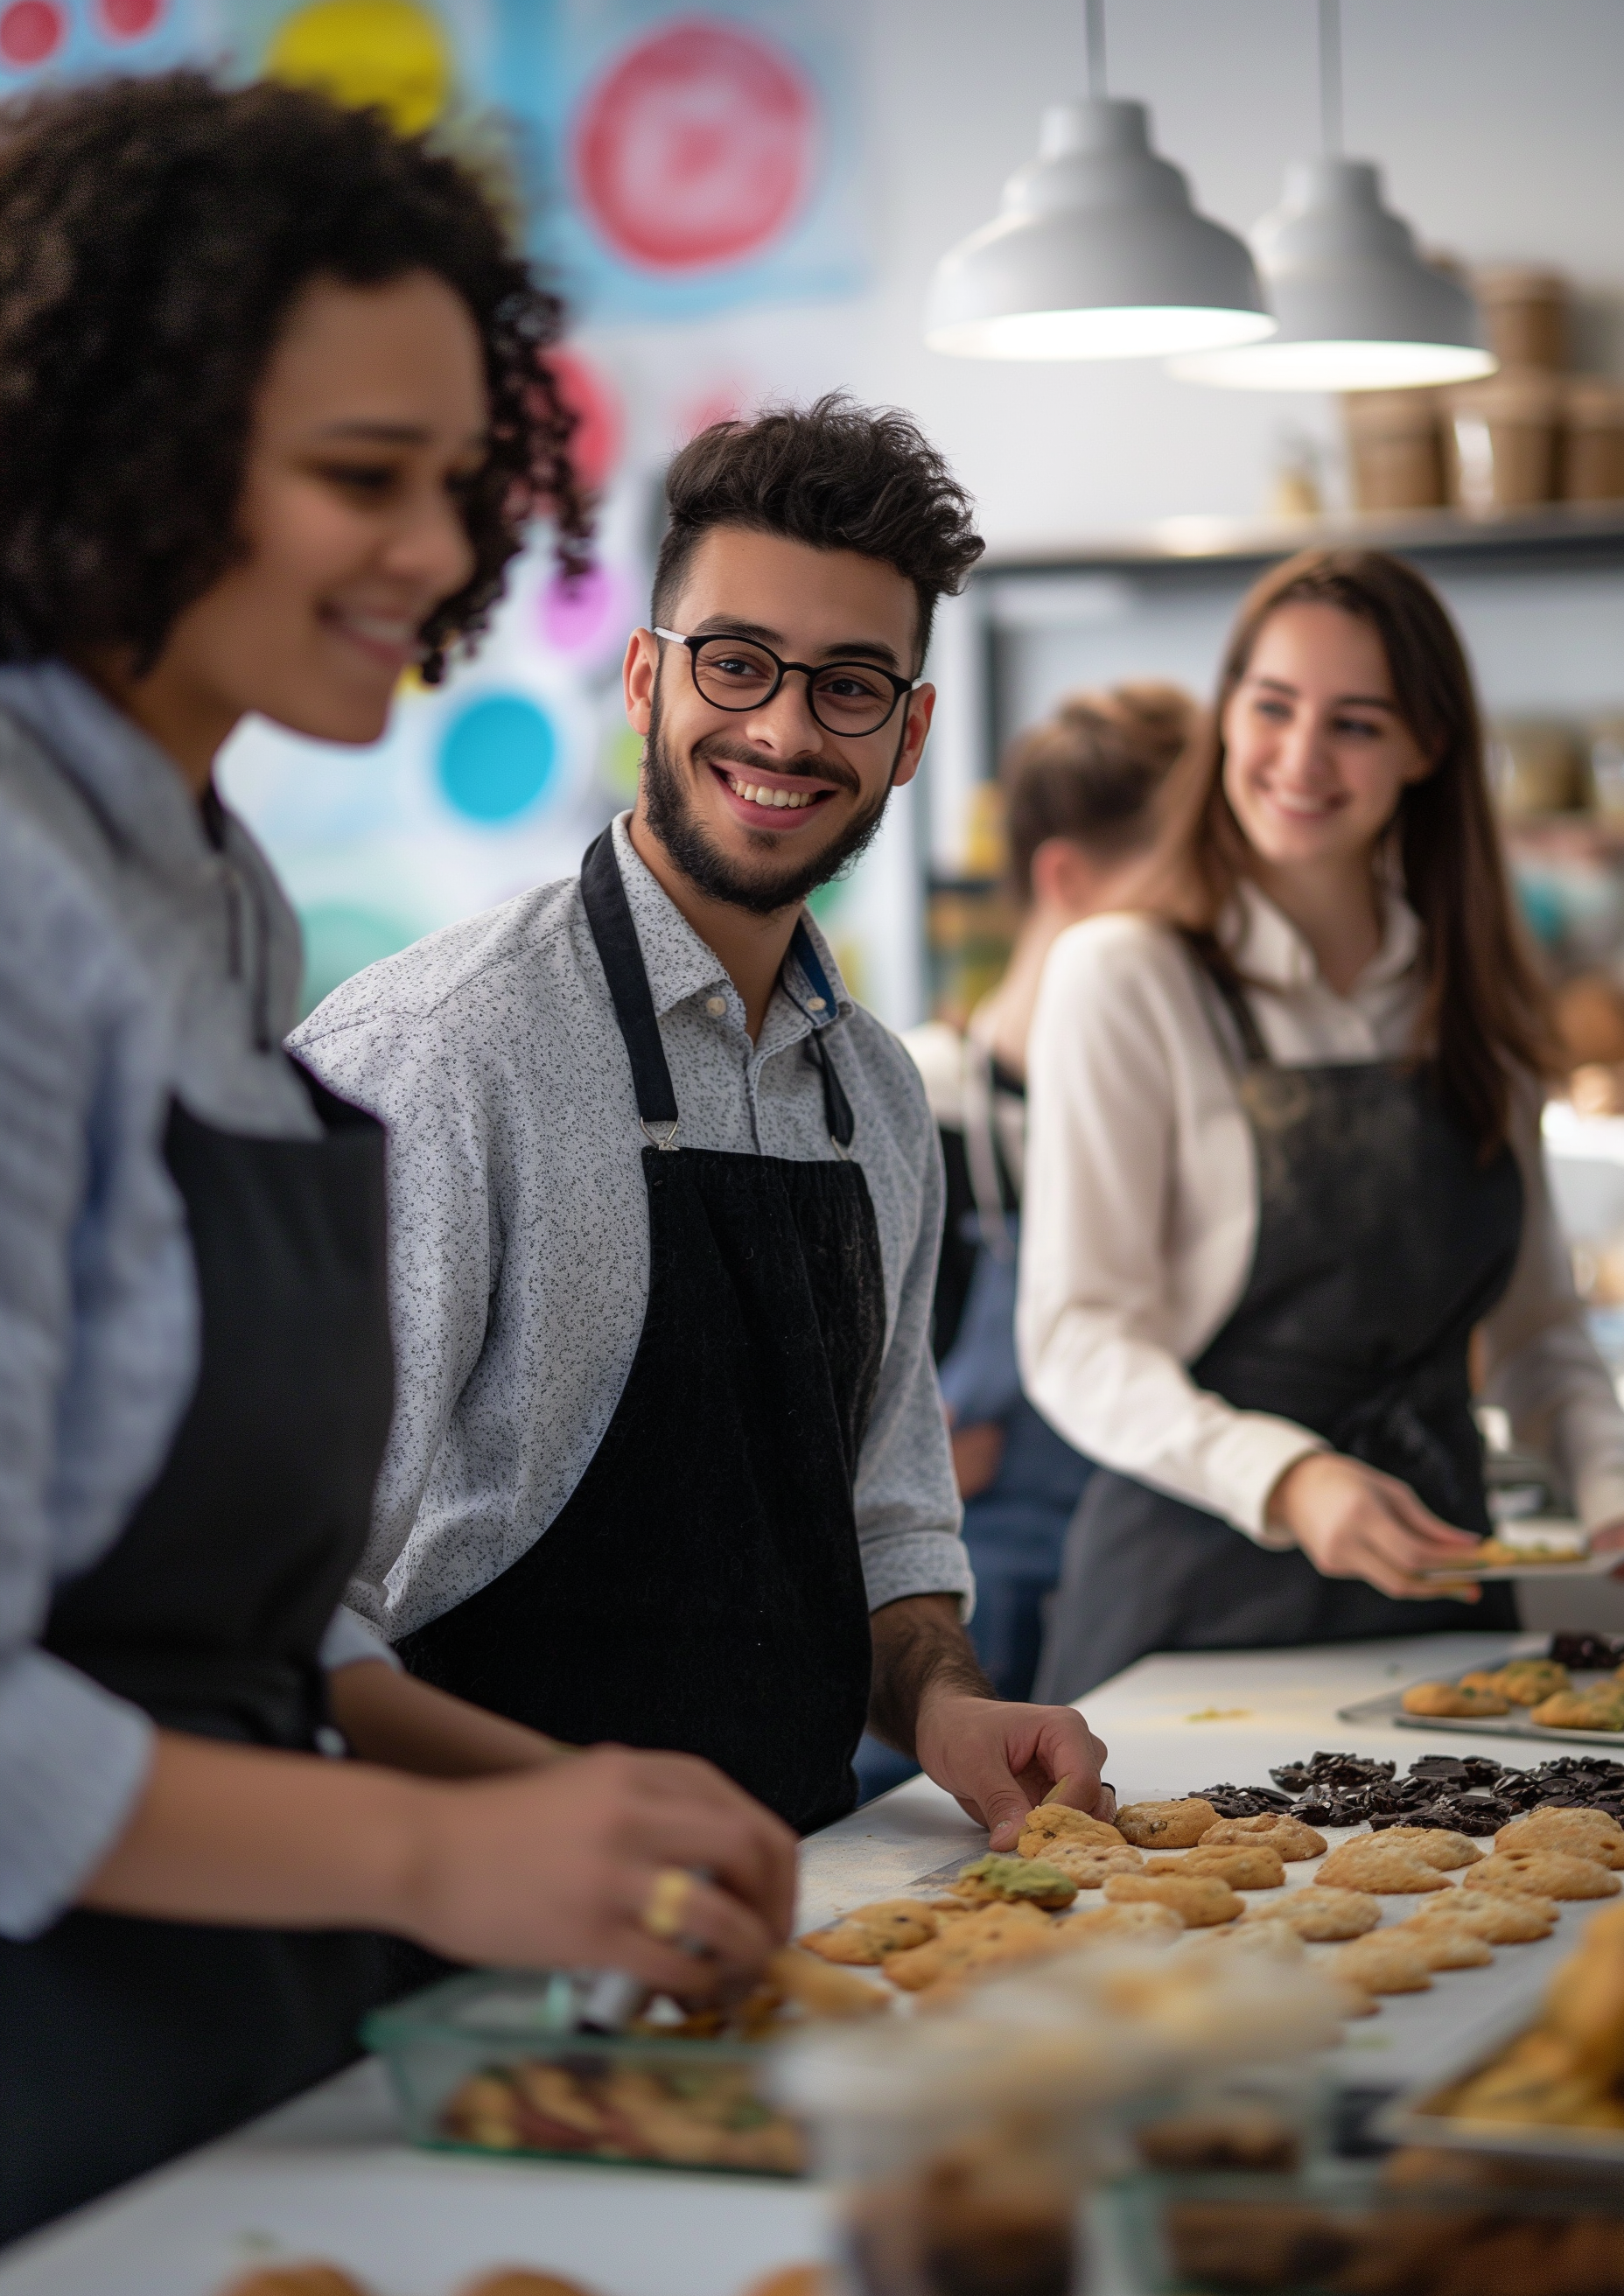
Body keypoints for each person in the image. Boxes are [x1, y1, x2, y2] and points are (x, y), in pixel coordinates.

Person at [0, 74, 794, 2244]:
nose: (446, 555)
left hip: (236, 2034)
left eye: (461, 481)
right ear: (113, 443)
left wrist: (537, 1783)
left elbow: (236, 1619)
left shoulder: (208, 874)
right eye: (365, 478)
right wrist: (428, 1859)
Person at [292, 397, 1114, 1846]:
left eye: (852, 683)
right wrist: (555, 1818)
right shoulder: (439, 1055)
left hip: (805, 1898)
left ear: (913, 730)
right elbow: (290, 1610)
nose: (786, 728)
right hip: (476, 1929)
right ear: (643, 679)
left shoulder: (876, 1097)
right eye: (737, 662)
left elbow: (887, 1531)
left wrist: (944, 1704)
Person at [1019, 548, 1624, 1701]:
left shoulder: (1473, 985)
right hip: (1194, 1605)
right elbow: (1079, 1338)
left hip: (1446, 1596)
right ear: (1226, 711)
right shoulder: (1129, 974)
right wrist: (1289, 1477)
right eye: (1273, 706)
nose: (1300, 759)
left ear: (1425, 748)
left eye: (1355, 723)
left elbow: (1539, 1333)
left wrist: (1609, 1490)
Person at [906, 684, 1197, 1704]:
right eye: (1184, 899)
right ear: (1066, 879)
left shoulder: (1187, 1123)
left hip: (1155, 1603)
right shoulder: (913, 1103)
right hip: (951, 1637)